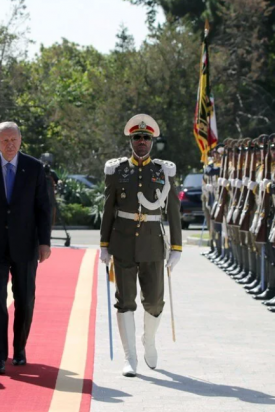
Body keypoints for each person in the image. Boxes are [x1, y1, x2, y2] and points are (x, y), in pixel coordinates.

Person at [99, 114, 182, 377]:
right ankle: (130, 357)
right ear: (131, 140)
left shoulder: (163, 171)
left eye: (146, 137)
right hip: (122, 244)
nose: (142, 141)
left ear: (152, 140)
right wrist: (104, 244)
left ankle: (149, 340)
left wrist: (177, 247)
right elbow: (108, 208)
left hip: (153, 244)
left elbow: (174, 212)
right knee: (124, 301)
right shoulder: (117, 170)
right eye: (137, 137)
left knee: (155, 302)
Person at [0, 121, 52, 375]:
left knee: (25, 300)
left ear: (21, 139)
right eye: (4, 140)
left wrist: (45, 242)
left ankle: (20, 347)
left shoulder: (34, 167)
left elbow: (43, 208)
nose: (10, 144)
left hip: (25, 245)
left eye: (14, 139)